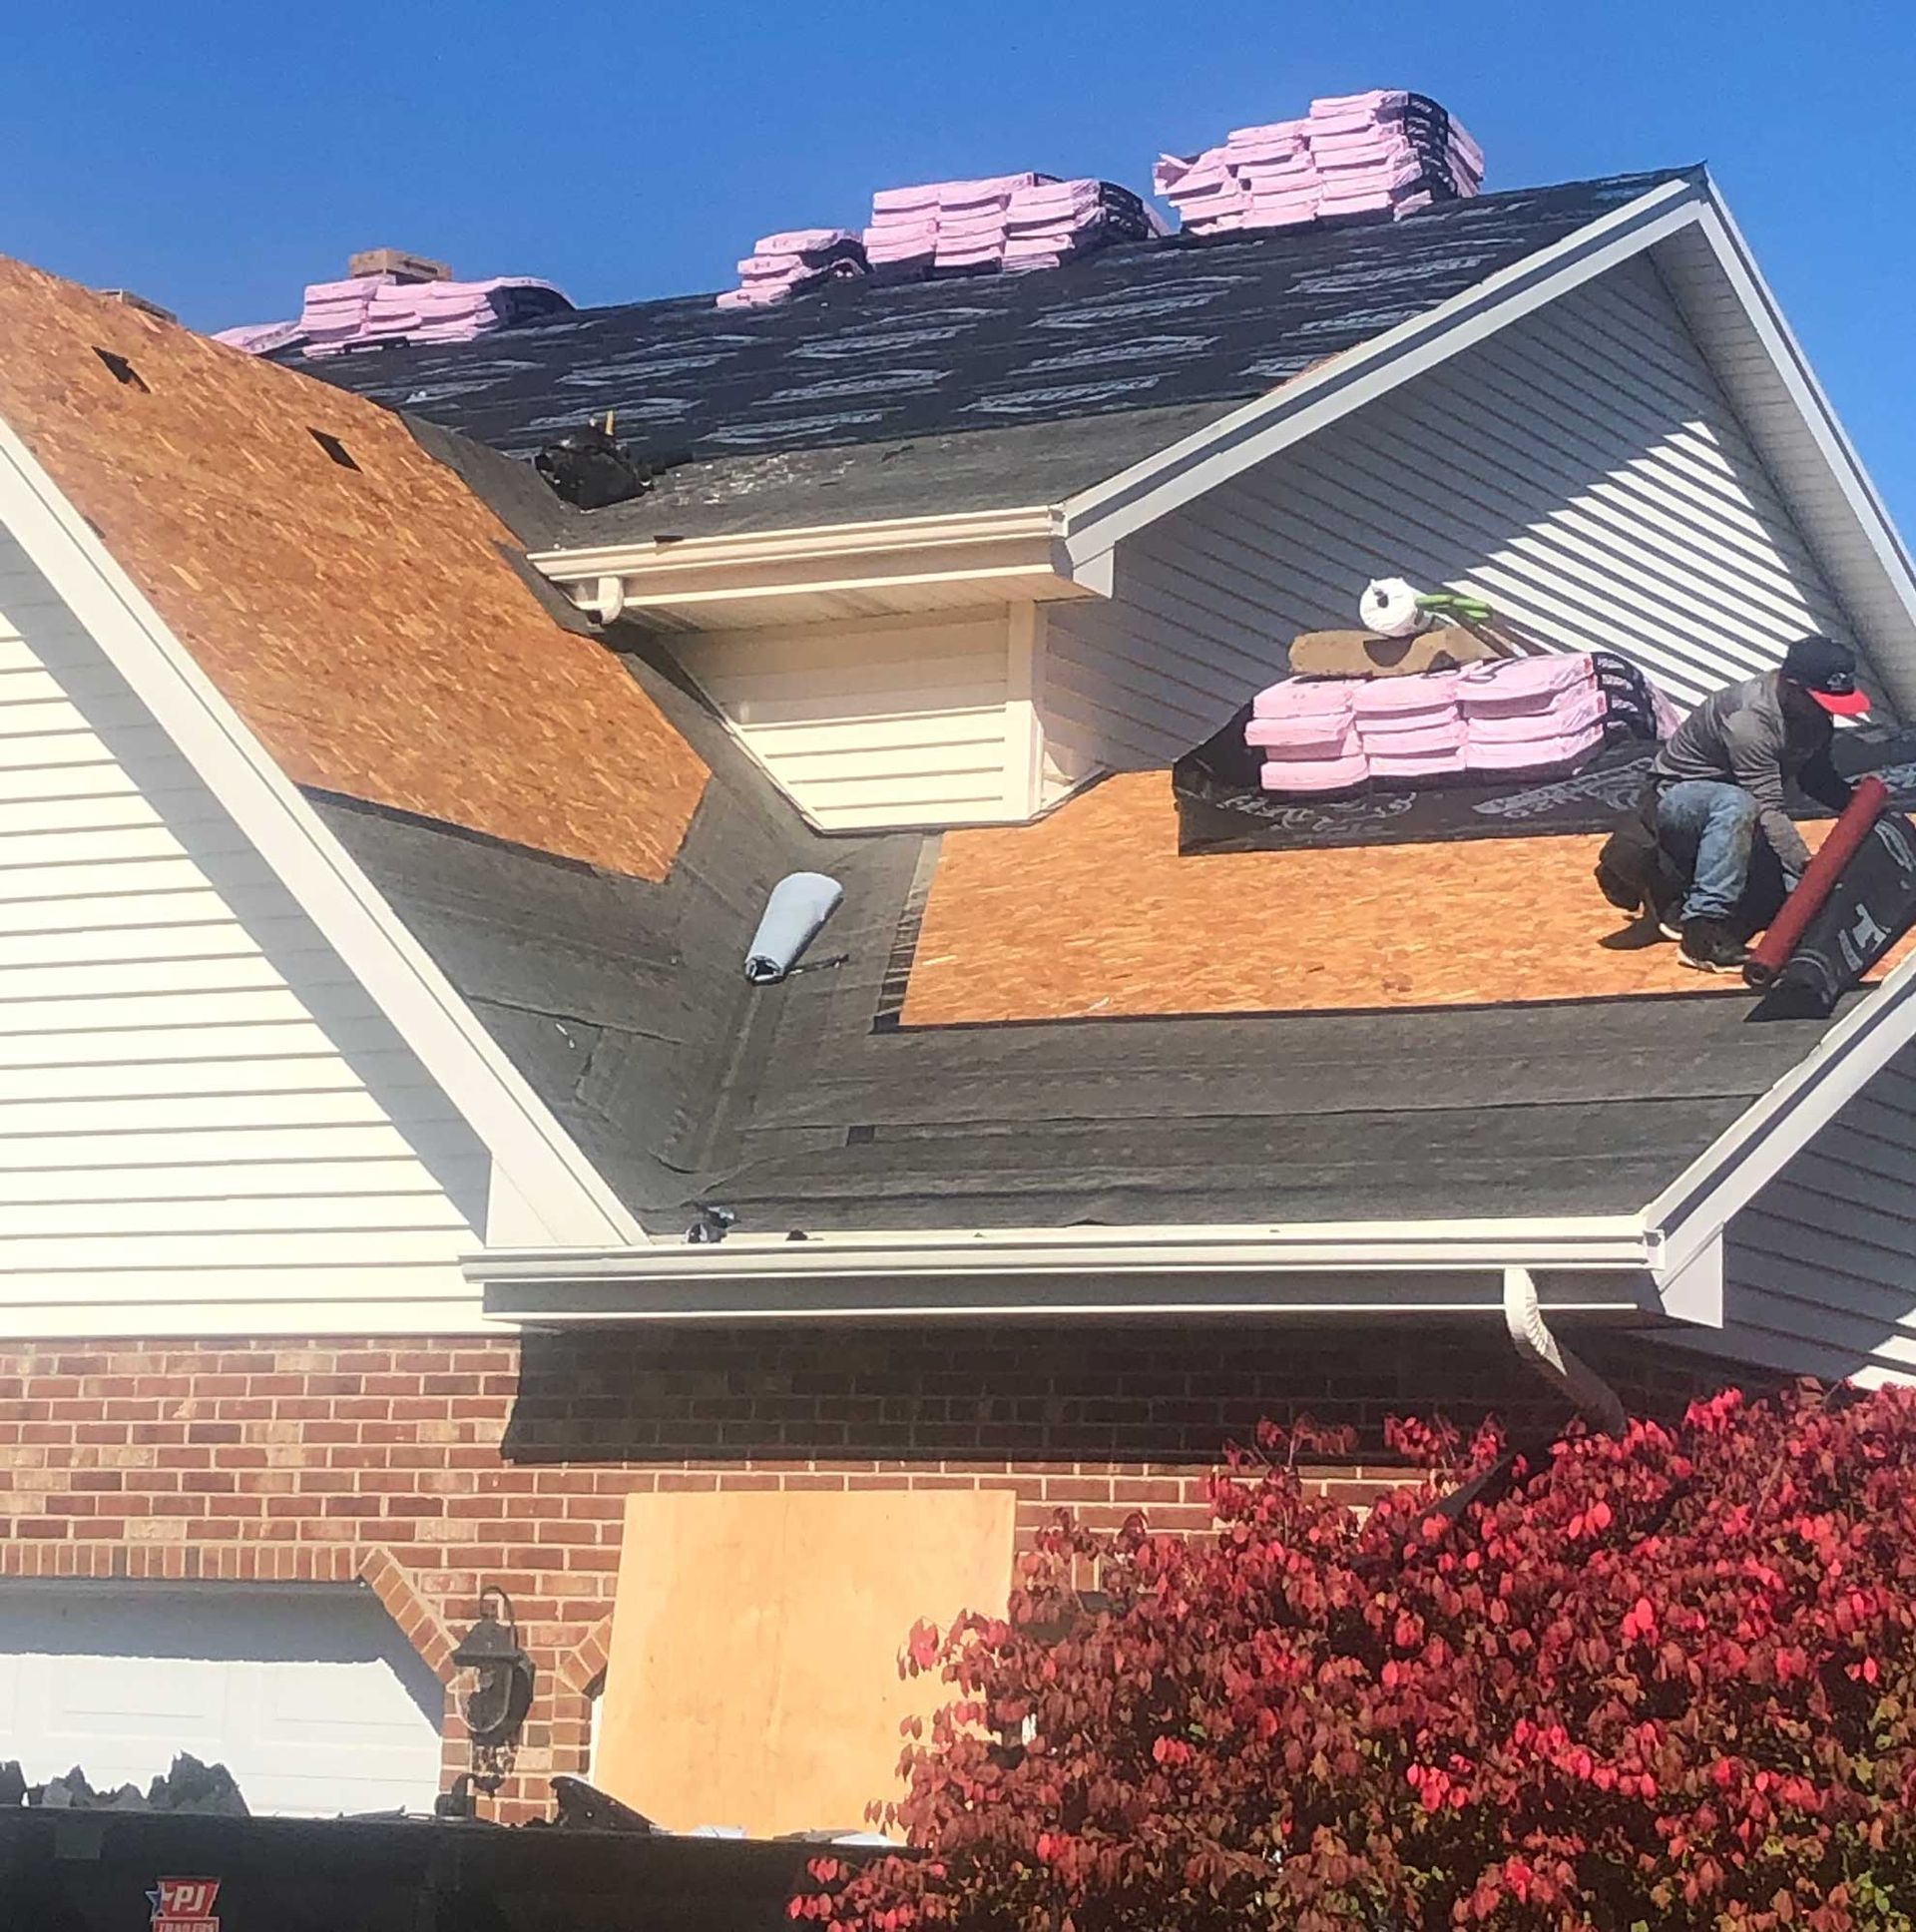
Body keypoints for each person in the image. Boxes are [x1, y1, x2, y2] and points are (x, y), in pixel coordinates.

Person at [1649, 635, 1869, 972]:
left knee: (1801, 907)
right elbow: (1765, 804)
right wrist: (1804, 865)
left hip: (1740, 809)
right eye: (1820, 701)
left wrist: (1865, 812)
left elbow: (1817, 778)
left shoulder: (1810, 711)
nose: (1827, 712)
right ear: (1792, 686)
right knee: (1738, 805)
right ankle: (1701, 932)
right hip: (1678, 800)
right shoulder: (1749, 720)